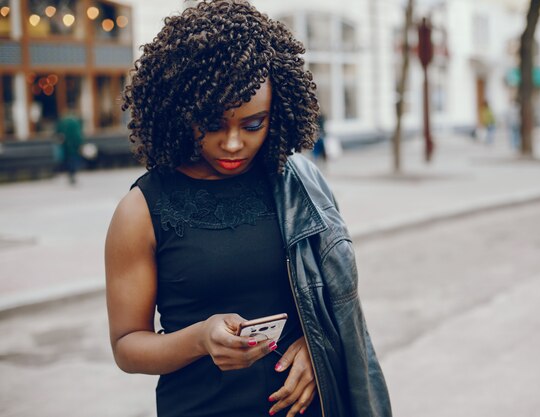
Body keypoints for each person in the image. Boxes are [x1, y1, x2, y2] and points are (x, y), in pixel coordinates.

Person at [104, 2, 391, 417]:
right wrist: (200, 338)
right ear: (180, 111)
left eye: (253, 124)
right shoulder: (140, 210)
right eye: (214, 124)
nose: (234, 143)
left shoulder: (299, 185)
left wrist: (315, 347)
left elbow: (335, 308)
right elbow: (127, 346)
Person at [55, 110, 83, 184]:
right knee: (74, 159)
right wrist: (80, 143)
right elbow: (78, 135)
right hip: (74, 146)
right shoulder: (75, 122)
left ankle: (70, 174)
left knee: (68, 159)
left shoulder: (62, 122)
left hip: (66, 146)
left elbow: (57, 133)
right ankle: (72, 174)